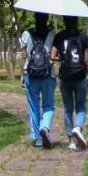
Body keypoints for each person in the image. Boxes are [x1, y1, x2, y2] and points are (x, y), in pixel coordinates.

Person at [52, 17, 88, 148]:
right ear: (77, 21)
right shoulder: (83, 37)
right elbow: (87, 60)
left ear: (64, 21)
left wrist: (63, 58)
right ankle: (78, 128)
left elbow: (52, 56)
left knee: (68, 109)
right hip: (80, 76)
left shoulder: (59, 36)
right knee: (81, 108)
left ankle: (71, 141)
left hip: (65, 77)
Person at [20, 14, 56, 149]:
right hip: (47, 75)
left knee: (34, 107)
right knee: (48, 105)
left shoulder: (26, 34)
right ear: (46, 19)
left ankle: (37, 138)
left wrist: (22, 75)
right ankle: (44, 127)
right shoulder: (52, 34)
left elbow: (24, 56)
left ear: (35, 18)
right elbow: (53, 55)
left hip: (30, 74)